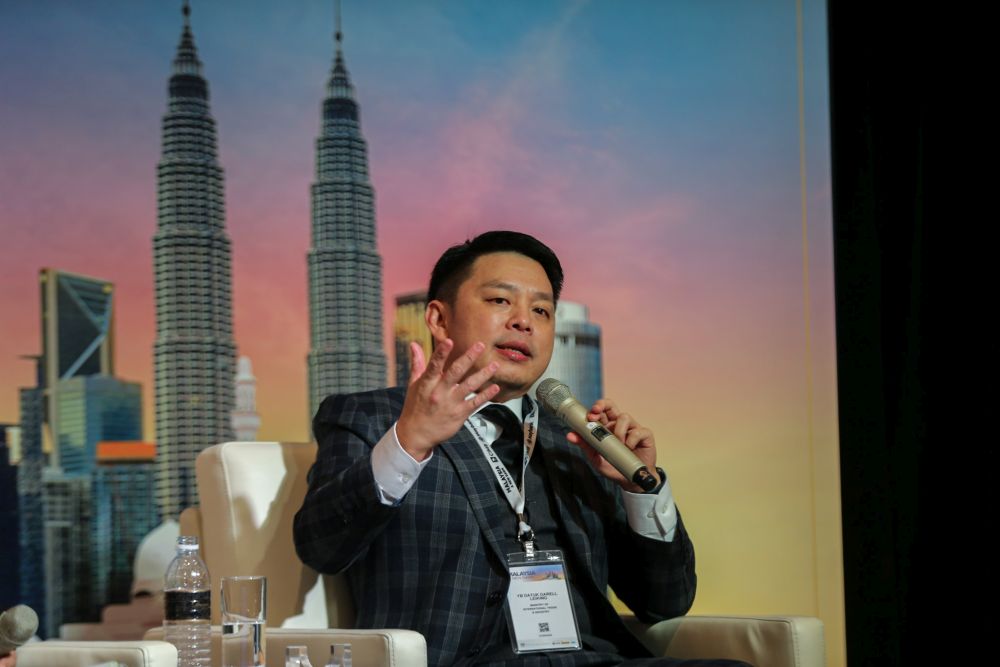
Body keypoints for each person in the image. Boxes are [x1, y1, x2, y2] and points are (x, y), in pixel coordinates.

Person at [294, 231, 742, 666]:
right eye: (499, 300)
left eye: (542, 310)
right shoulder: (373, 418)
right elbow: (321, 547)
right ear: (438, 318)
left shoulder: (575, 439)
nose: (524, 321)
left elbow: (665, 604)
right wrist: (409, 441)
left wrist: (639, 491)